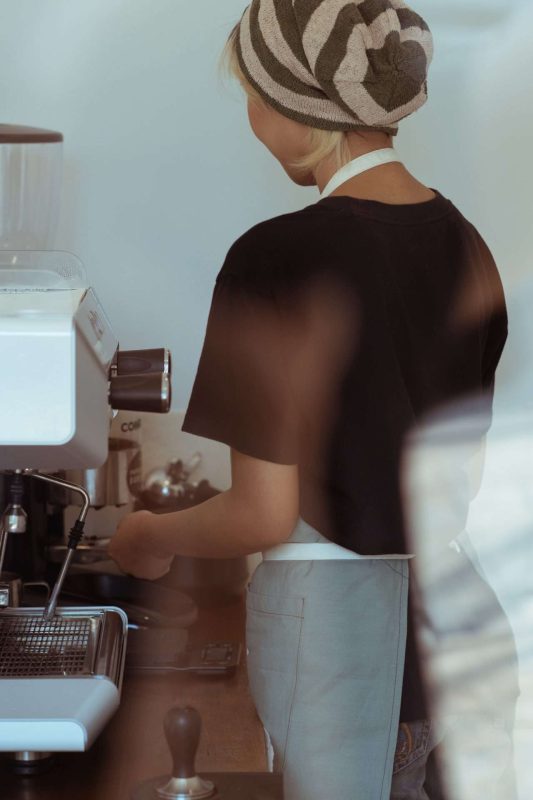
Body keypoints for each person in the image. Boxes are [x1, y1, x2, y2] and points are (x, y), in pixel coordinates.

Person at [109, 2, 508, 798]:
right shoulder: (466, 243)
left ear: (300, 106)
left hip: (337, 637)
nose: (252, 119)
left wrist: (144, 535)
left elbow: (260, 514)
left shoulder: (276, 257)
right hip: (457, 634)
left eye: (254, 95)